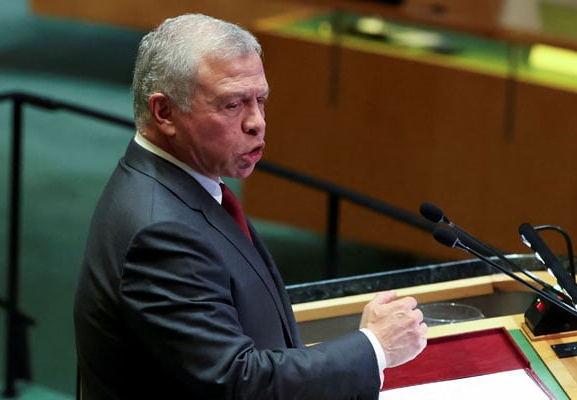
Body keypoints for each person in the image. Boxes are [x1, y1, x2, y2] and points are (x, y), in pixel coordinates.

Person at [73, 13, 427, 400]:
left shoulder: (187, 185)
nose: (257, 122)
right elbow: (240, 383)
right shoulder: (159, 232)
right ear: (165, 112)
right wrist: (374, 347)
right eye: (232, 105)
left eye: (261, 100)